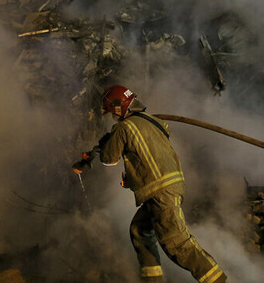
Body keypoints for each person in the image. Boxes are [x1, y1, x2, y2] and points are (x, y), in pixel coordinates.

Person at [96, 85, 226, 283]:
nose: (113, 118)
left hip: (160, 191)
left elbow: (108, 158)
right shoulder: (155, 122)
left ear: (118, 108)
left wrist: (107, 142)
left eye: (112, 113)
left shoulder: (124, 127)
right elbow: (147, 157)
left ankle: (218, 281)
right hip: (167, 187)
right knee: (139, 231)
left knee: (177, 245)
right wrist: (132, 179)